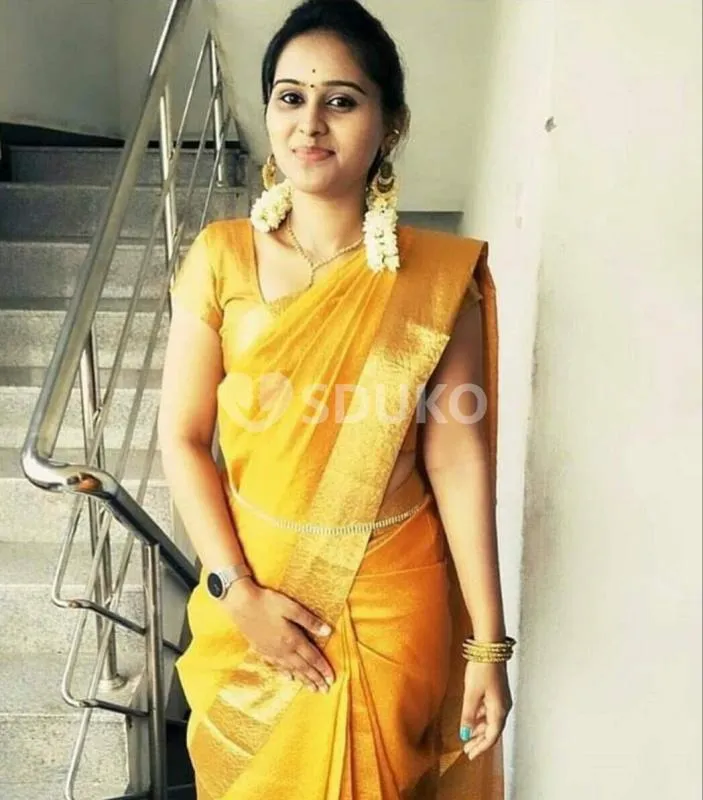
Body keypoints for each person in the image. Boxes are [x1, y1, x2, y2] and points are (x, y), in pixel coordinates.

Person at [157, 1, 515, 797]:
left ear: (390, 126)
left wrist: (488, 645)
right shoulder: (220, 257)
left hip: (387, 600)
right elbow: (182, 438)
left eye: (341, 100)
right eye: (290, 97)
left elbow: (456, 459)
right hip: (250, 594)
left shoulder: (436, 279)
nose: (309, 122)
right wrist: (235, 592)